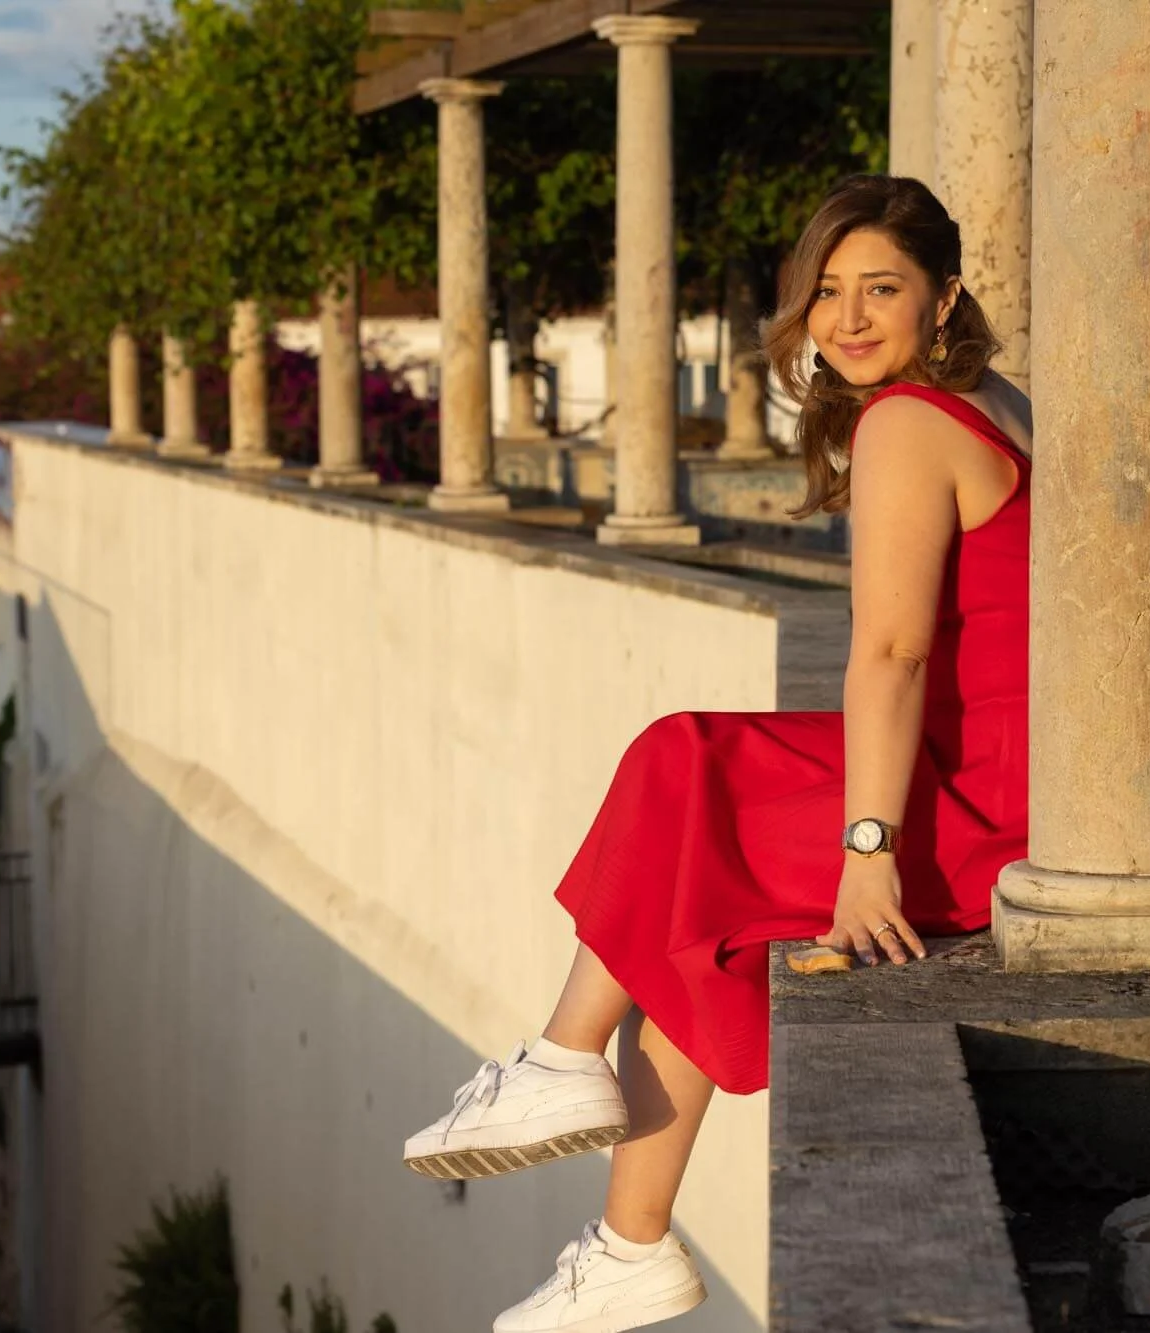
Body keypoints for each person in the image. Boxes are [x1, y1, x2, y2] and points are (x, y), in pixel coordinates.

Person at [399, 175, 1034, 1332]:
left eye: (879, 289)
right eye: (825, 291)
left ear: (943, 298)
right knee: (689, 814)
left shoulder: (907, 421)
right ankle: (619, 1223)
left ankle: (571, 1085)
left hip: (981, 812)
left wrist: (867, 852)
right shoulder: (992, 398)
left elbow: (890, 654)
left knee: (684, 776)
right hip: (1013, 778)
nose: (845, 318)